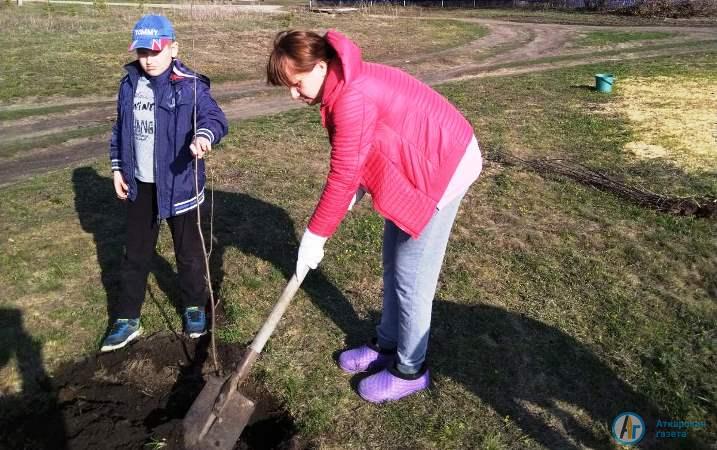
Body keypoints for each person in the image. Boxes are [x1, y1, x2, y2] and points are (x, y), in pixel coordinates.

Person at [266, 30, 482, 403]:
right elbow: (363, 153)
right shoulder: (342, 86)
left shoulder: (351, 96)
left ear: (320, 66)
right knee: (392, 263)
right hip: (414, 164)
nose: (293, 94)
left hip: (444, 165)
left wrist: (315, 235)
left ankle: (410, 369)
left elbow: (343, 173)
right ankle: (386, 343)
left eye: (296, 83)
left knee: (411, 275)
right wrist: (350, 195)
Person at [102, 14, 228, 352]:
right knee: (135, 254)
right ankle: (127, 318)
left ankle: (192, 306)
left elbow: (214, 117)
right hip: (140, 184)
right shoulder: (129, 83)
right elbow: (120, 131)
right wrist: (117, 168)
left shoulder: (189, 84)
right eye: (143, 52)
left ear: (173, 48)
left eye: (156, 51)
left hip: (180, 183)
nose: (148, 59)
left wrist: (204, 136)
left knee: (188, 254)